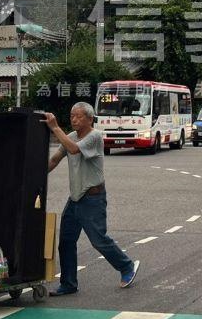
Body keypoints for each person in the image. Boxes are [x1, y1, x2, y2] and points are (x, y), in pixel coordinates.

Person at [45, 102, 139, 296]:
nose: (74, 120)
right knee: (66, 241)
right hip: (75, 198)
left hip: (92, 199)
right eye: (72, 116)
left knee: (99, 240)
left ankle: (126, 266)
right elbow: (55, 159)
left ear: (90, 119)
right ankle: (69, 283)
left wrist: (55, 127)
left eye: (78, 116)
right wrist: (34, 175)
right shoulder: (70, 137)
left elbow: (73, 149)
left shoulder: (94, 136)